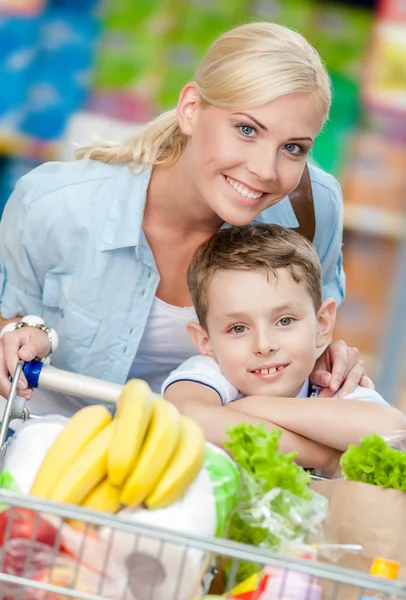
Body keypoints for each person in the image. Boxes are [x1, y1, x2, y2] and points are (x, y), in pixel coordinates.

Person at [0, 21, 372, 418]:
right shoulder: (57, 204)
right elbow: (12, 315)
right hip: (47, 447)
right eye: (247, 129)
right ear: (191, 109)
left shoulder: (313, 210)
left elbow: (312, 331)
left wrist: (325, 357)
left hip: (208, 459)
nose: (265, 169)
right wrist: (20, 335)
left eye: (293, 147)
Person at [162, 224, 406, 473]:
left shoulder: (331, 386)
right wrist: (325, 457)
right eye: (238, 328)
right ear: (205, 341)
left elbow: (394, 431)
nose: (264, 345)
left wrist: (252, 407)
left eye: (285, 321)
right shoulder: (210, 373)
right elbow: (189, 416)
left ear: (322, 324)